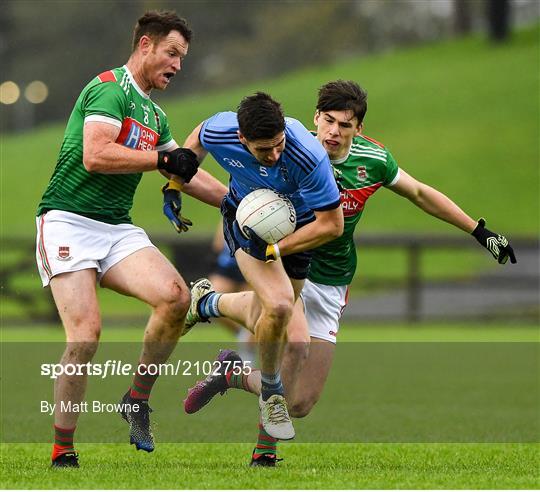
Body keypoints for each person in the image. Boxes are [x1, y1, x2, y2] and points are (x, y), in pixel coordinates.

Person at [182, 80, 517, 466]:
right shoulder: (288, 149)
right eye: (328, 121)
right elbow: (243, 191)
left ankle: (230, 369)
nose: (333, 132)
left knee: (300, 402)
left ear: (358, 129)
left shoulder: (373, 162)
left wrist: (478, 230)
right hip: (288, 267)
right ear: (315, 119)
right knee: (292, 343)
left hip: (333, 280)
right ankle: (265, 453)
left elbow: (422, 194)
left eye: (345, 124)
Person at [35, 10, 227, 468]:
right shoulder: (108, 88)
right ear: (146, 45)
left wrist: (236, 203)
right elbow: (96, 154)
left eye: (182, 57)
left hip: (115, 227)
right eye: (172, 53)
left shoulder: (155, 114)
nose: (178, 65)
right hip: (68, 221)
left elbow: (184, 169)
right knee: (85, 336)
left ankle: (136, 397)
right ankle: (63, 449)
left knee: (176, 297)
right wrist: (162, 161)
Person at [175, 92, 343, 442]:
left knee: (266, 316)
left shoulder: (307, 156)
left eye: (278, 144)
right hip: (246, 220)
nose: (274, 155)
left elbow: (332, 225)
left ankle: (206, 302)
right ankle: (271, 396)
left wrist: (277, 248)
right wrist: (177, 181)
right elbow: (199, 136)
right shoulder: (223, 130)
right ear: (241, 138)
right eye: (264, 149)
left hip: (300, 232)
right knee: (280, 304)